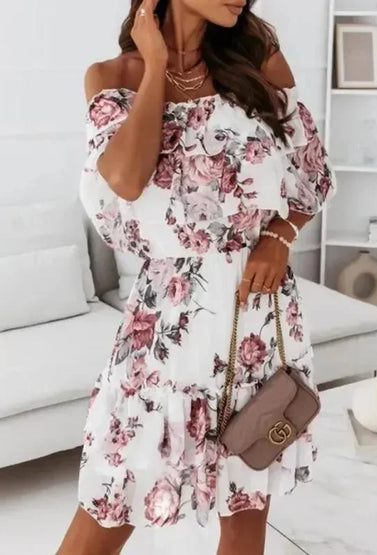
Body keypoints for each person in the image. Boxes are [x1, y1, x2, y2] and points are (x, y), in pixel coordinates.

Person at [58, 0, 336, 553]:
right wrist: (156, 65)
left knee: (247, 503)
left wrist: (279, 236)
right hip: (167, 328)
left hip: (258, 319)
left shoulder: (256, 60)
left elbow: (311, 171)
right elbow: (126, 180)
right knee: (109, 506)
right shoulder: (113, 76)